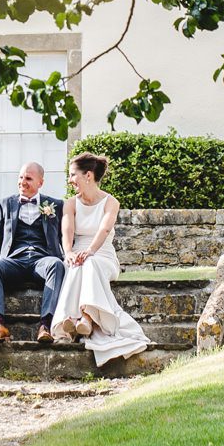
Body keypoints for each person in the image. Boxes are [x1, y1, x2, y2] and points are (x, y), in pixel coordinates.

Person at [51, 152, 152, 364]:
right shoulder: (70, 203)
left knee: (90, 263)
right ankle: (67, 327)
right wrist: (69, 253)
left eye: (72, 175)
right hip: (77, 254)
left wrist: (91, 251)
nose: (70, 180)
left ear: (88, 175)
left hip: (102, 255)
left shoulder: (110, 202)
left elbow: (105, 229)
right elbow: (67, 231)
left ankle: (85, 317)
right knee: (75, 266)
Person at [0, 161, 65, 343]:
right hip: (14, 261)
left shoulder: (55, 205)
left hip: (42, 260)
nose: (22, 182)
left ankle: (45, 325)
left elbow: (64, 237)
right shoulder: (5, 203)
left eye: (28, 178)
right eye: (20, 177)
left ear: (40, 183)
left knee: (57, 264)